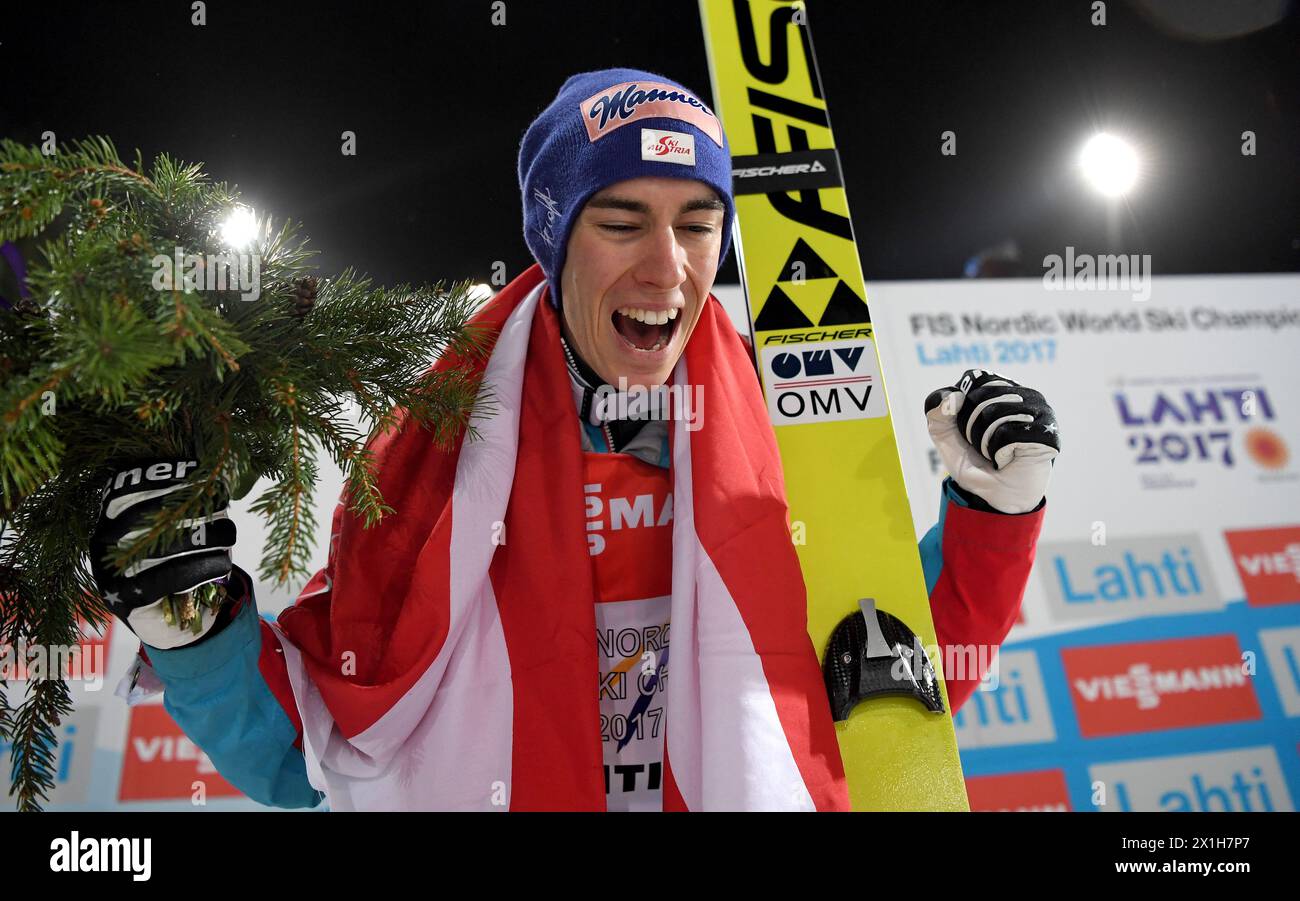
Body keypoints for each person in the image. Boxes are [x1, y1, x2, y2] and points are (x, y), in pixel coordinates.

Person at [92, 68, 1059, 811]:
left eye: (697, 221)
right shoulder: (439, 443)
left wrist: (995, 513)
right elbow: (322, 749)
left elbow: (883, 691)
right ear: (553, 237)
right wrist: (196, 630)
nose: (668, 268)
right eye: (623, 220)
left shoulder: (780, 415)